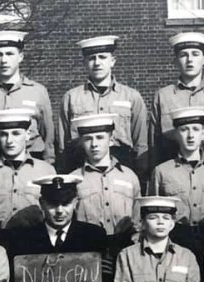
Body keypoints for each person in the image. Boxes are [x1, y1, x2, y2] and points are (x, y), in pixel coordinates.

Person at [148, 106, 204, 264]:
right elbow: (152, 212)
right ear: (176, 135)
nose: (190, 135)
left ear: (203, 134)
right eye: (184, 130)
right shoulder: (162, 171)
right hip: (177, 240)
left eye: (195, 129)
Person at [58, 35, 148, 179]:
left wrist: (140, 176)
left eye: (102, 57)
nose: (97, 63)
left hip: (122, 167)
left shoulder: (131, 97)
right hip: (82, 168)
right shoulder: (71, 98)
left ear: (112, 61)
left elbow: (141, 143)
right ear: (84, 63)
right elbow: (64, 144)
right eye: (92, 58)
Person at [0, 30, 54, 169]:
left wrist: (49, 167)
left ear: (20, 56)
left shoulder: (37, 91)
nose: (4, 60)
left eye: (9, 54)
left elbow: (48, 136)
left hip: (31, 164)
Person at [149, 32, 204, 167]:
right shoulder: (163, 96)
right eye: (184, 55)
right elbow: (154, 143)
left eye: (195, 54)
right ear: (175, 60)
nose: (190, 60)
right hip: (173, 166)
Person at [0, 108, 55, 244]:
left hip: (34, 242)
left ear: (28, 134)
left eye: (16, 133)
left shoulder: (46, 170)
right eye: (4, 134)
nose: (9, 141)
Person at [69, 112, 140, 264]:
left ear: (111, 139)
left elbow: (138, 219)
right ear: (81, 141)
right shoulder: (73, 179)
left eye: (100, 137)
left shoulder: (129, 176)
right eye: (88, 139)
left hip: (125, 249)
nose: (94, 144)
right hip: (87, 251)